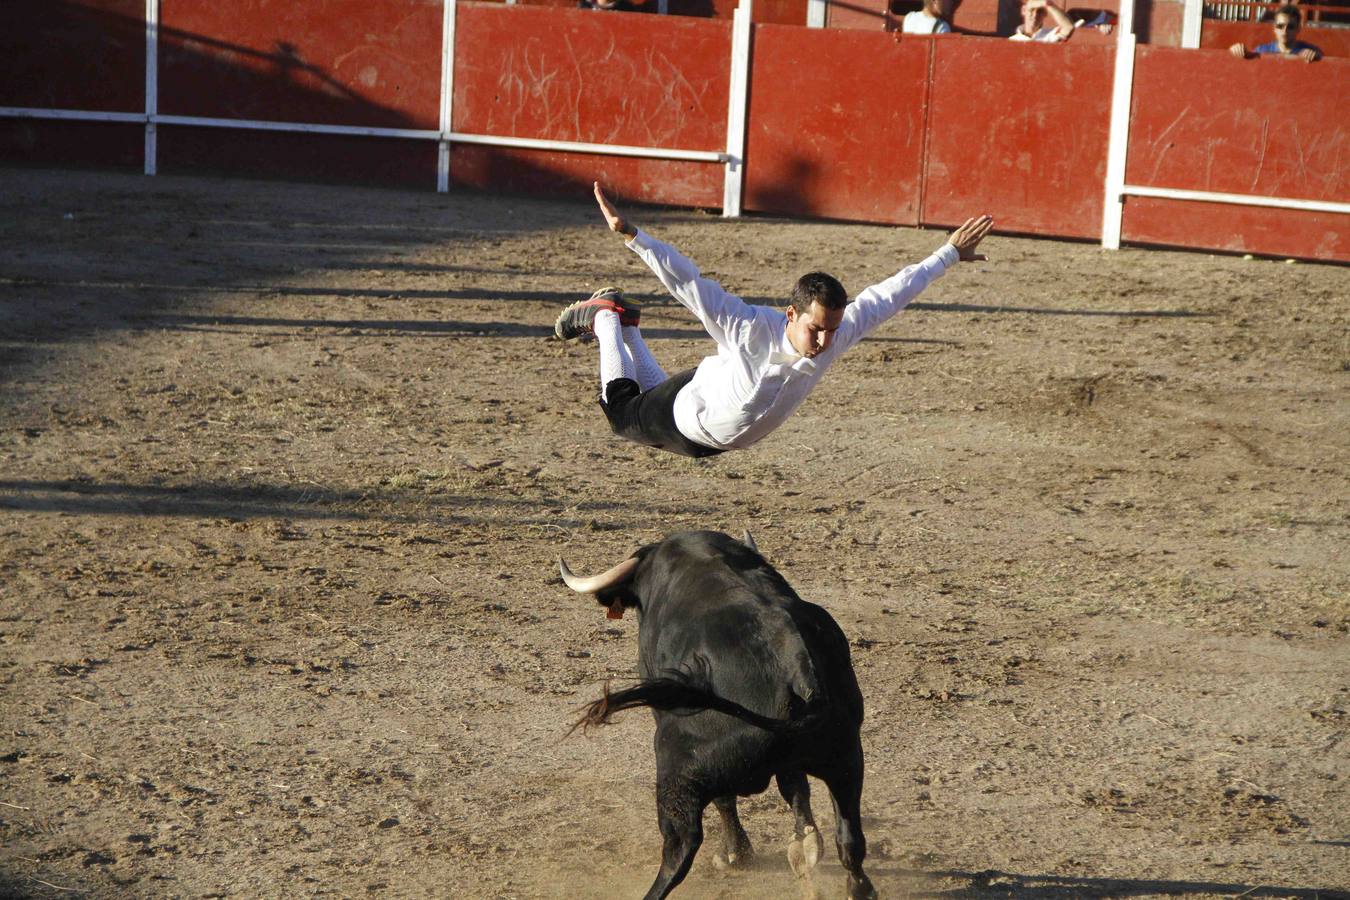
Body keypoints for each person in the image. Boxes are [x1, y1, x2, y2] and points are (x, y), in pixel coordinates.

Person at [552, 182, 993, 458]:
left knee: (653, 394)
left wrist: (949, 253)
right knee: (620, 412)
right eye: (815, 328)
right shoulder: (746, 326)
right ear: (791, 314)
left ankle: (627, 325)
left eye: (833, 329)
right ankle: (609, 321)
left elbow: (888, 295)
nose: (824, 341)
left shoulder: (836, 335)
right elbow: (688, 283)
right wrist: (634, 236)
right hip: (690, 419)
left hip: (706, 416)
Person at [1229, 5, 1322, 62]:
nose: (1284, 31)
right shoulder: (1262, 50)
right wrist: (1235, 50)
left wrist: (1315, 56)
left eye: (1290, 27)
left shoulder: (1309, 50)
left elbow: (1322, 57)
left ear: (1298, 29)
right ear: (1274, 28)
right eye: (1280, 26)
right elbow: (1247, 56)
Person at [1009, 0, 1075, 42]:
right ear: (1023, 10)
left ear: (1045, 14)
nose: (1035, 15)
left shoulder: (1050, 35)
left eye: (1039, 11)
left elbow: (1068, 27)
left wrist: (1047, 3)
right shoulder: (1012, 40)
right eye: (1032, 10)